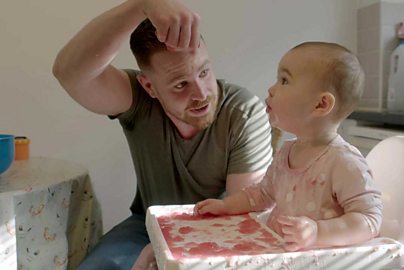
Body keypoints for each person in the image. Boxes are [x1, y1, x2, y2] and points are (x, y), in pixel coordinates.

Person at [52, 0, 273, 269]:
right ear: (150, 87)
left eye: (204, 72)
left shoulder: (243, 112)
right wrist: (142, 4)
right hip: (146, 227)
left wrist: (168, 248)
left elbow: (243, 216)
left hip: (221, 231)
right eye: (181, 84)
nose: (201, 93)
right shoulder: (139, 100)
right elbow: (68, 72)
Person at [195, 42, 383, 252]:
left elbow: (369, 220)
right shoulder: (286, 151)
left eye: (284, 80)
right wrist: (226, 206)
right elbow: (262, 195)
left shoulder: (343, 162)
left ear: (320, 105)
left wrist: (317, 232)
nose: (272, 89)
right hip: (280, 255)